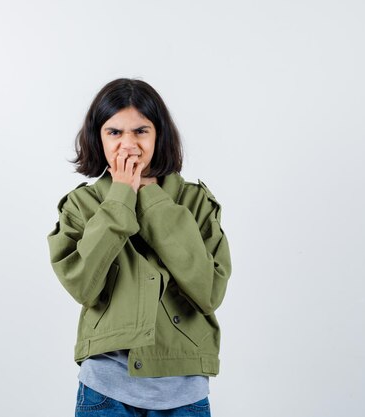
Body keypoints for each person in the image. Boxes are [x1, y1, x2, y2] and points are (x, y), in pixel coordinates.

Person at [46, 78, 233, 417]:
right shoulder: (81, 205)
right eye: (114, 132)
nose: (128, 144)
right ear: (97, 138)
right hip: (105, 389)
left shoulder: (195, 202)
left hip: (184, 393)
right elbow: (82, 285)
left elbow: (209, 292)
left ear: (159, 135)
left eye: (141, 131)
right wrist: (120, 196)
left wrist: (149, 196)